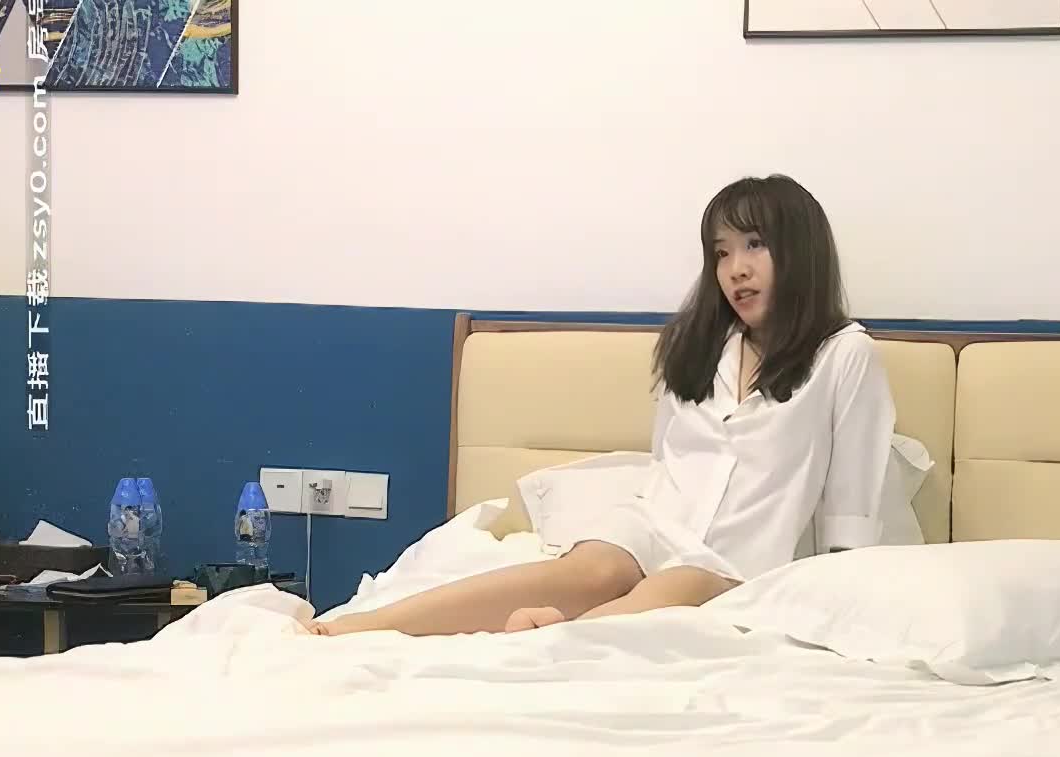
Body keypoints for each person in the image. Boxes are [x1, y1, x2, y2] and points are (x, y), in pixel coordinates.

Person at [312, 174, 896, 637]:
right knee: (587, 571)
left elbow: (850, 514)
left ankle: (539, 644)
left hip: (741, 562)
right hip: (658, 523)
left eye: (755, 245)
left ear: (800, 251)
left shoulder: (845, 355)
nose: (735, 269)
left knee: (675, 587)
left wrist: (831, 610)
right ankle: (365, 626)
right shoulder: (699, 347)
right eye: (721, 253)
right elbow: (669, 458)